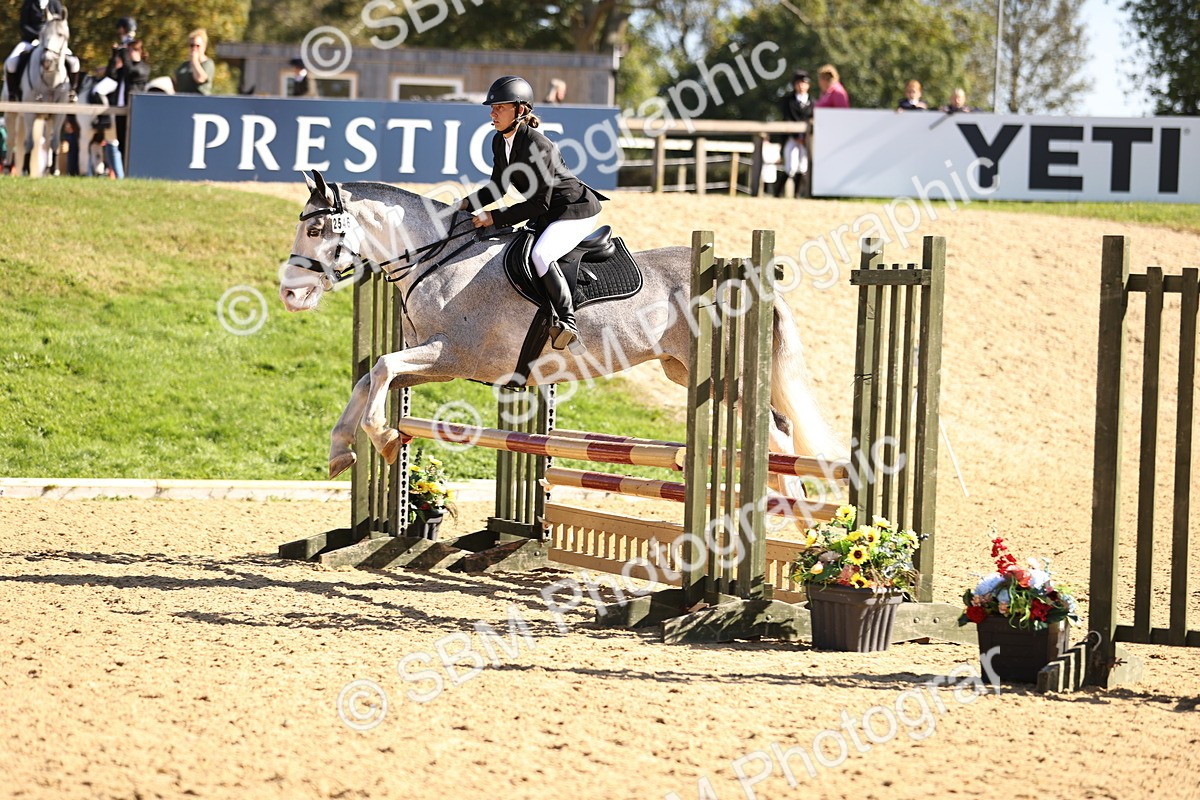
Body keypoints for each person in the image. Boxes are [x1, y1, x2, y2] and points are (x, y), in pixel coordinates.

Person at [460, 75, 607, 351]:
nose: (492, 112)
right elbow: (497, 187)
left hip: (575, 210)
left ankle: (568, 321)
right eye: (492, 107)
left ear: (521, 110)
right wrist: (465, 204)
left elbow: (539, 204)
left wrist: (494, 217)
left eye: (499, 107)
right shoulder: (498, 141)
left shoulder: (538, 145)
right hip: (550, 209)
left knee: (540, 255)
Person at [5, 0, 81, 101]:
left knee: (74, 62)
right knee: (11, 62)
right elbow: (24, 25)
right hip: (31, 40)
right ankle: (13, 93)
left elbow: (60, 24)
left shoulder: (55, 3)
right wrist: (39, 35)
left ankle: (72, 92)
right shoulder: (29, 3)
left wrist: (51, 37)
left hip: (52, 43)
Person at [774, 70, 812, 199]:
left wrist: (804, 138)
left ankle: (797, 194)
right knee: (790, 166)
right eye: (799, 83)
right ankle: (777, 193)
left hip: (806, 139)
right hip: (792, 138)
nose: (801, 86)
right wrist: (796, 136)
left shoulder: (812, 102)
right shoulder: (788, 101)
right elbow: (787, 119)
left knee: (803, 166)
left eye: (804, 83)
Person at [174, 28, 214, 94]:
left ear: (204, 46)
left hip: (199, 102)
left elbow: (200, 78)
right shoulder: (184, 65)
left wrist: (194, 60)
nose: (194, 49)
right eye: (192, 45)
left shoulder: (208, 63)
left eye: (198, 46)